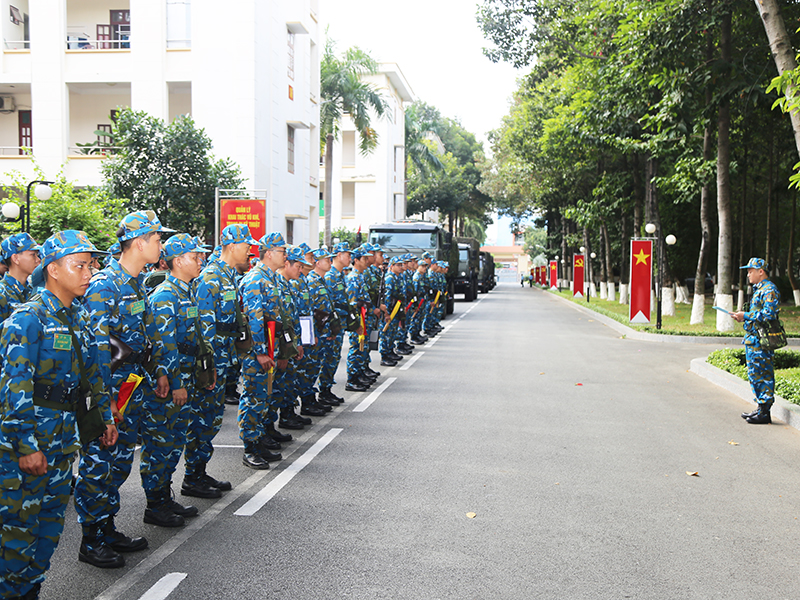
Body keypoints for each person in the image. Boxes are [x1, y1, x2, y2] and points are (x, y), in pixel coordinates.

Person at [0, 231, 112, 600]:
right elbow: (13, 389)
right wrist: (26, 445)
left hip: (63, 445)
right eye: (79, 265)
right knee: (17, 537)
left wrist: (104, 417)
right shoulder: (27, 319)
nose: (88, 273)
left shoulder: (77, 316)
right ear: (53, 270)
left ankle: (29, 592)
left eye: (90, 264)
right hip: (30, 449)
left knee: (48, 534)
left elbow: (91, 373)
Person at [73, 210, 175, 569]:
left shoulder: (135, 283)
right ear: (140, 242)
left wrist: (158, 372)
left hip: (131, 385)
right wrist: (104, 407)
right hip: (109, 390)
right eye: (158, 239)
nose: (161, 245)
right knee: (100, 462)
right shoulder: (105, 285)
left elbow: (144, 338)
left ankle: (107, 526)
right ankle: (91, 538)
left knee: (117, 464)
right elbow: (97, 352)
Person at [731, 257, 781, 425]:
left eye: (750, 271)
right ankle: (760, 409)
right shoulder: (759, 289)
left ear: (761, 272)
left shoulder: (769, 290)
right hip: (754, 340)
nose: (748, 275)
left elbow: (769, 315)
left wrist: (746, 315)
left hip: (762, 341)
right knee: (755, 374)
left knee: (763, 374)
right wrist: (743, 318)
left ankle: (765, 412)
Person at [0, 232, 41, 322]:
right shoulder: (2, 293)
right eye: (33, 255)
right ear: (16, 259)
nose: (38, 260)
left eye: (37, 255)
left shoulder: (32, 290)